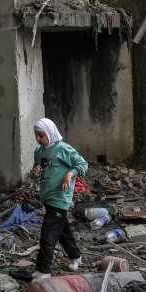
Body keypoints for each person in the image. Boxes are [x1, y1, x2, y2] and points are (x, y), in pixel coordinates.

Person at [30, 118, 88, 279]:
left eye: (41, 135)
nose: (38, 139)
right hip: (47, 197)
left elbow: (82, 164)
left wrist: (70, 174)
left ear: (50, 132)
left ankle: (43, 270)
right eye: (36, 135)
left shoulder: (63, 149)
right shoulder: (39, 152)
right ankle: (76, 256)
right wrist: (35, 173)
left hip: (60, 197)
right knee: (62, 230)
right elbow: (34, 175)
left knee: (48, 232)